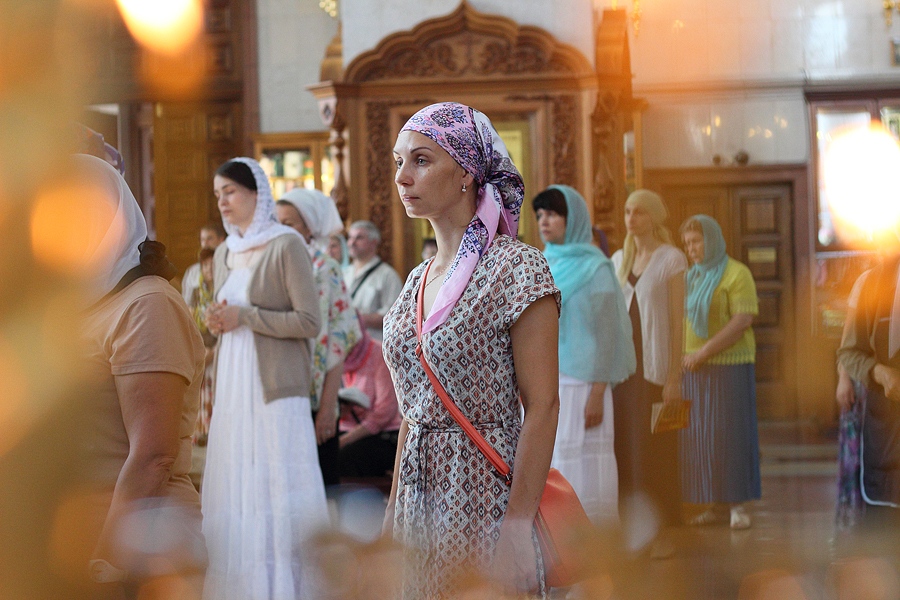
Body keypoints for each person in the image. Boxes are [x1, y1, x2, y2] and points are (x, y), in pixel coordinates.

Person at [383, 102, 561, 598]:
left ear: (466, 172)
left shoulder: (517, 268)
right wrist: (391, 516)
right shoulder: (417, 280)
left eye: (421, 160)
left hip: (482, 492)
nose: (402, 177)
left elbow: (544, 405)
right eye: (398, 161)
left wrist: (516, 527)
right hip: (417, 496)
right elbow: (413, 411)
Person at [77, 154, 207, 595]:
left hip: (138, 549)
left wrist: (105, 562)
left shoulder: (146, 305)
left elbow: (154, 457)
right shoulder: (80, 305)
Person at [201, 158, 327, 599]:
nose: (223, 202)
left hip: (275, 389)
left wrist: (246, 317)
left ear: (257, 193)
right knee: (239, 484)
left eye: (230, 192)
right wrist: (216, 321)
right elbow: (227, 317)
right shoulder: (224, 252)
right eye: (218, 194)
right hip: (233, 387)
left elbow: (310, 321)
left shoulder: (286, 244)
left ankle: (289, 587)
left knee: (277, 485)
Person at [532, 185, 635, 524]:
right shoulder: (541, 263)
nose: (544, 221)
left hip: (584, 384)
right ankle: (555, 542)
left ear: (573, 218)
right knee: (554, 460)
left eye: (552, 214)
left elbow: (608, 336)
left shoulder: (596, 268)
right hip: (547, 382)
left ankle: (591, 544)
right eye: (540, 215)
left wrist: (598, 391)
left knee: (583, 465)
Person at [610, 189, 686, 554]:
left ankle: (664, 532)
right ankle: (632, 532)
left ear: (654, 216)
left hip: (655, 372)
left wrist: (674, 377)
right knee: (625, 451)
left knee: (656, 454)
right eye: (627, 211)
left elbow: (677, 323)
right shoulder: (618, 259)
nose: (631, 218)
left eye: (639, 212)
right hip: (623, 373)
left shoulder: (672, 259)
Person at [678, 215, 761, 530]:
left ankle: (738, 505)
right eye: (687, 244)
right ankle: (714, 505)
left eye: (696, 241)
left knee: (732, 437)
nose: (691, 249)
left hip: (729, 367)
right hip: (693, 368)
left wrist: (703, 352)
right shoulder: (691, 277)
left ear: (711, 240)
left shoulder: (737, 273)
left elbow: (742, 320)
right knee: (704, 440)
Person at [276, 188, 361, 487]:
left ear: (309, 227)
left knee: (319, 488)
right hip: (280, 393)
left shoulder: (325, 269)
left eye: (289, 223)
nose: (281, 230)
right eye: (277, 222)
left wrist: (327, 407)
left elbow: (338, 341)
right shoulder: (273, 262)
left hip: (315, 394)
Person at [837, 231, 900, 526]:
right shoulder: (870, 284)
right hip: (885, 420)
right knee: (885, 520)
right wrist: (880, 372)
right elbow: (850, 351)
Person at [338, 320, 402, 478]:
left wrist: (346, 439)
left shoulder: (378, 353)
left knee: (345, 456)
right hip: (352, 429)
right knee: (322, 449)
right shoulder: (340, 357)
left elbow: (385, 412)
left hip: (383, 434)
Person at [835, 269, 872, 528]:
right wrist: (843, 377)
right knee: (857, 455)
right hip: (863, 382)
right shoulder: (867, 281)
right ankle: (858, 522)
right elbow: (848, 341)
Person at [343, 220, 403, 341]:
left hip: (374, 344)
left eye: (359, 238)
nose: (352, 243)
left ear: (374, 242)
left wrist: (352, 317)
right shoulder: (344, 273)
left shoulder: (388, 275)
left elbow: (395, 316)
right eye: (350, 238)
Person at [188, 247, 218, 447]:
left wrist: (214, 352)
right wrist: (200, 351)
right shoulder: (196, 292)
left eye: (212, 264)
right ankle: (201, 431)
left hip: (218, 350)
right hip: (201, 349)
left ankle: (215, 430)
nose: (209, 269)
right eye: (205, 265)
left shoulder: (222, 291)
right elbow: (189, 322)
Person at [181, 222, 226, 305]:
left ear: (221, 240)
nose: (205, 244)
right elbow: (187, 303)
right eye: (202, 240)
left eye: (210, 239)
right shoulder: (193, 271)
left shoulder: (228, 268)